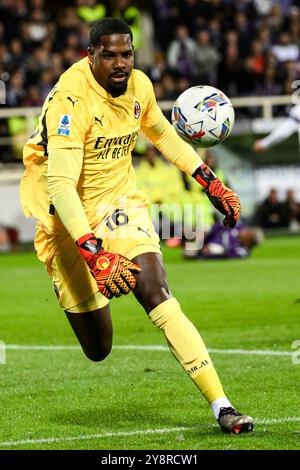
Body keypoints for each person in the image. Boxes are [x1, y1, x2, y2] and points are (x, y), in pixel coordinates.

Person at [20, 18, 253, 434]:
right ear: (89, 55)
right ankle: (76, 280)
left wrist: (209, 181)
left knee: (156, 290)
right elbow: (60, 185)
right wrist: (93, 252)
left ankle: (223, 406)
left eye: (126, 54)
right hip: (64, 220)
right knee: (98, 347)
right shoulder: (71, 103)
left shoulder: (138, 86)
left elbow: (161, 133)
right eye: (108, 55)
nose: (119, 63)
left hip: (119, 202)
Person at [184, 221, 263, 259]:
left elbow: (227, 255)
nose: (245, 232)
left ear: (249, 242)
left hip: (211, 249)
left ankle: (196, 253)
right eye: (248, 231)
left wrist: (211, 250)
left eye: (248, 235)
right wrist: (207, 232)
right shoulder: (239, 225)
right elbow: (220, 225)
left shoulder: (242, 251)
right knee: (198, 230)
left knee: (216, 249)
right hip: (210, 236)